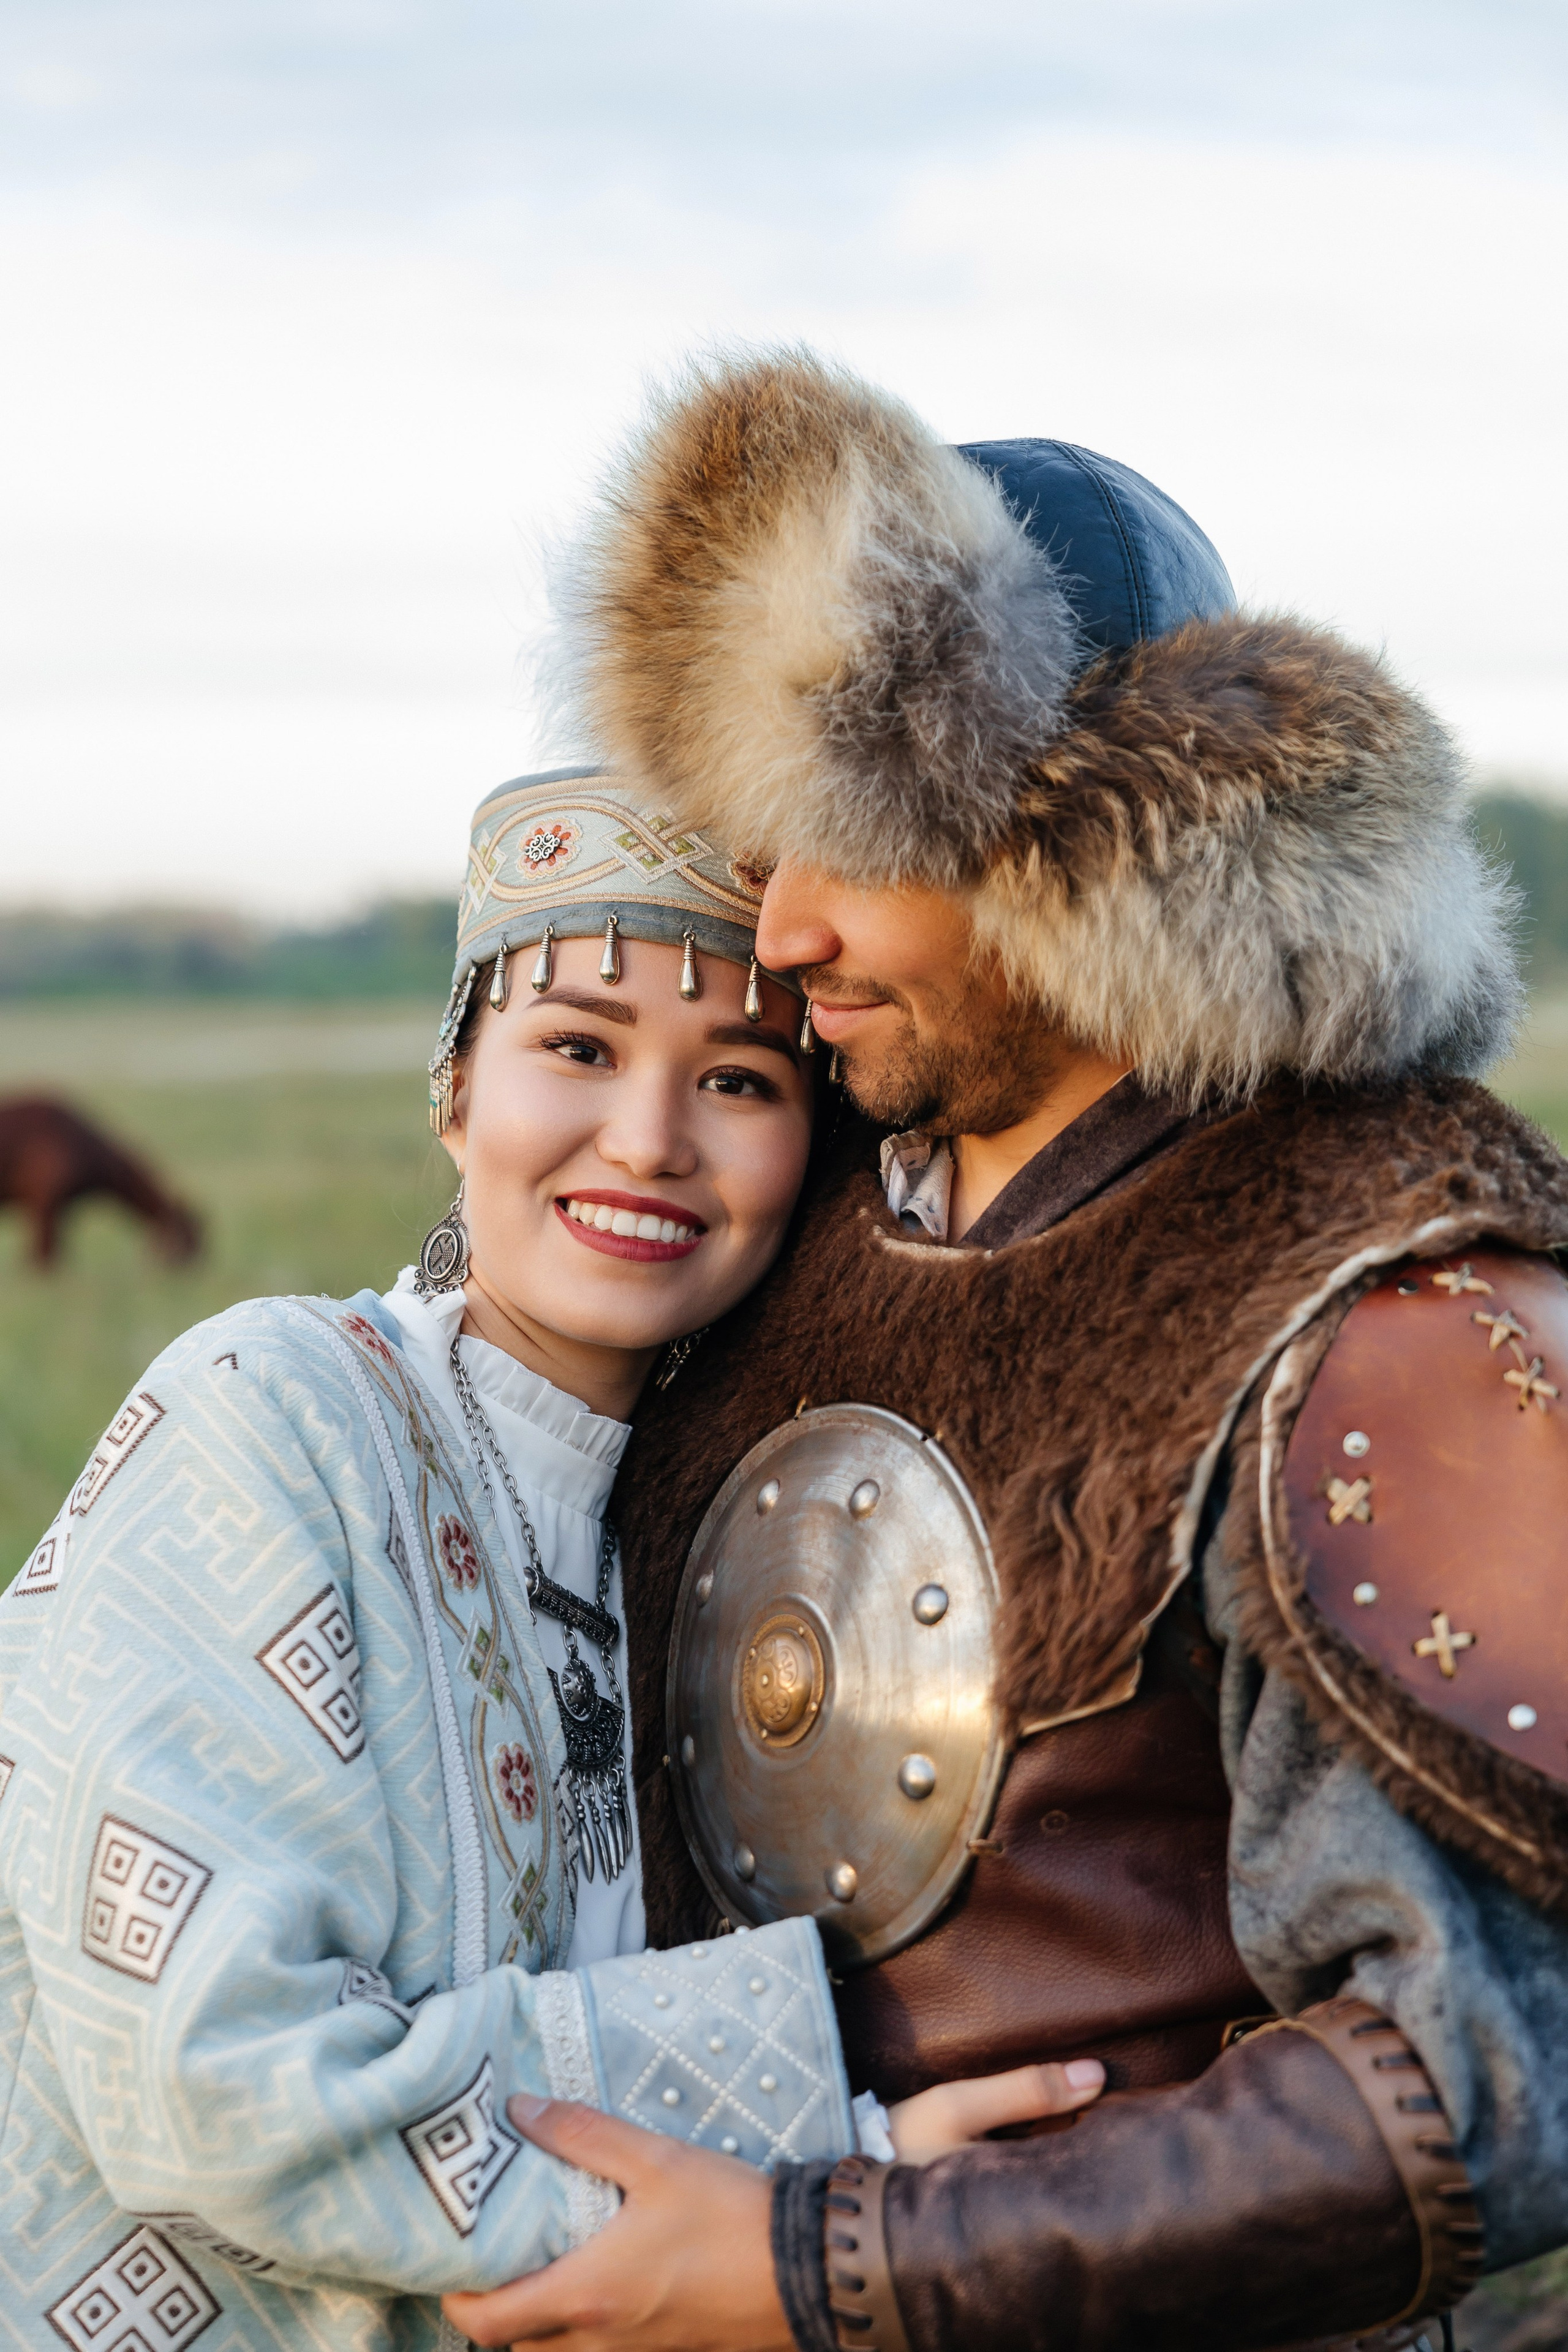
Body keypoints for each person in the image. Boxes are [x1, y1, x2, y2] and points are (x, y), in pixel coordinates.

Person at [444, 356, 1568, 2352]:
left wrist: (830, 2265)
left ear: (1096, 846)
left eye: (856, 840)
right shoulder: (786, 1213)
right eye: (764, 842)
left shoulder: (1385, 1299)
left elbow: (1486, 2077)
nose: (784, 930)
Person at [0, 775, 1099, 2351]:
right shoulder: (266, 1415)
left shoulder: (739, 1546)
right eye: (577, 1048)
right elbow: (218, 2079)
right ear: (456, 1091)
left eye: (738, 1079)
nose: (646, 1142)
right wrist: (823, 2168)